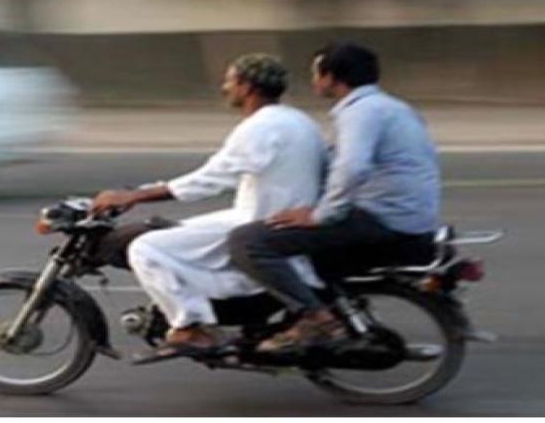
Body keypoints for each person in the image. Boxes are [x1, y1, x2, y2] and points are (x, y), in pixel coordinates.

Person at [90, 53, 327, 360]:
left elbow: (210, 180)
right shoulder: (299, 120)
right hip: (272, 214)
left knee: (145, 248)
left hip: (260, 221)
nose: (225, 88)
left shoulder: (261, 127)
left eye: (230, 81)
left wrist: (135, 196)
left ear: (248, 87)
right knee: (177, 230)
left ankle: (190, 327)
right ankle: (209, 307)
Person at [228, 42, 441, 353]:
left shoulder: (360, 113)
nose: (313, 81)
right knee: (306, 248)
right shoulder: (393, 107)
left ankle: (316, 319)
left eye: (316, 73)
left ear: (332, 77)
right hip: (410, 216)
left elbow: (352, 168)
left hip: (382, 219)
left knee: (248, 242)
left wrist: (320, 215)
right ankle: (328, 314)